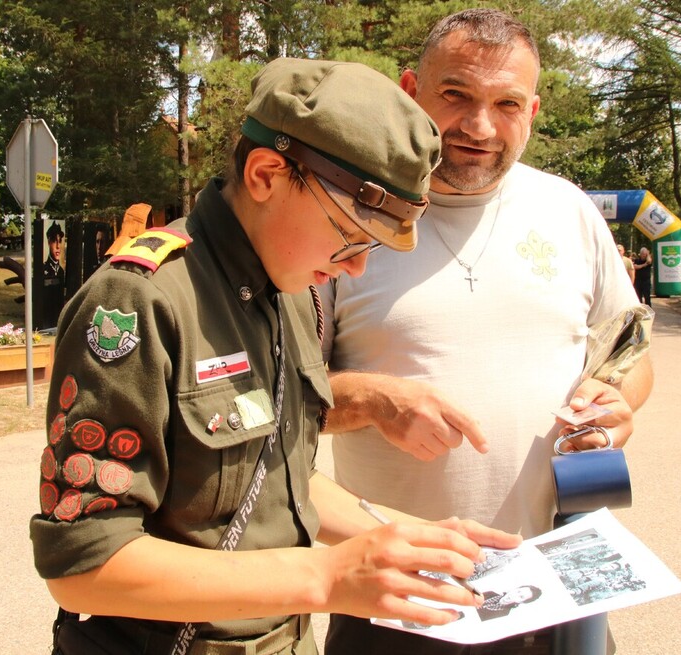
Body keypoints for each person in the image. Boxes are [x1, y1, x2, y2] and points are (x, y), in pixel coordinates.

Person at [29, 57, 521, 655]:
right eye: (351, 233)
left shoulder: (286, 289)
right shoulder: (139, 301)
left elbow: (281, 474)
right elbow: (84, 567)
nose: (358, 265)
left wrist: (409, 537)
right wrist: (327, 577)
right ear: (266, 174)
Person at [320, 9, 653, 654]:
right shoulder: (344, 214)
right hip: (398, 599)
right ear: (410, 89)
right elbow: (273, 398)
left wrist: (618, 401)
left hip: (560, 591)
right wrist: (370, 400)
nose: (479, 127)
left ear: (532, 109)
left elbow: (630, 352)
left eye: (505, 104)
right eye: (456, 96)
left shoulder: (570, 210)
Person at [43, 221, 66, 328]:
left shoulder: (61, 271)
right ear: (49, 242)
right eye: (54, 241)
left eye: (60, 241)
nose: (58, 246)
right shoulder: (44, 269)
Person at [475, 586, 543, 622]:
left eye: (521, 597)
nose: (514, 595)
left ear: (521, 602)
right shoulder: (490, 593)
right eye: (518, 591)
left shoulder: (503, 615)